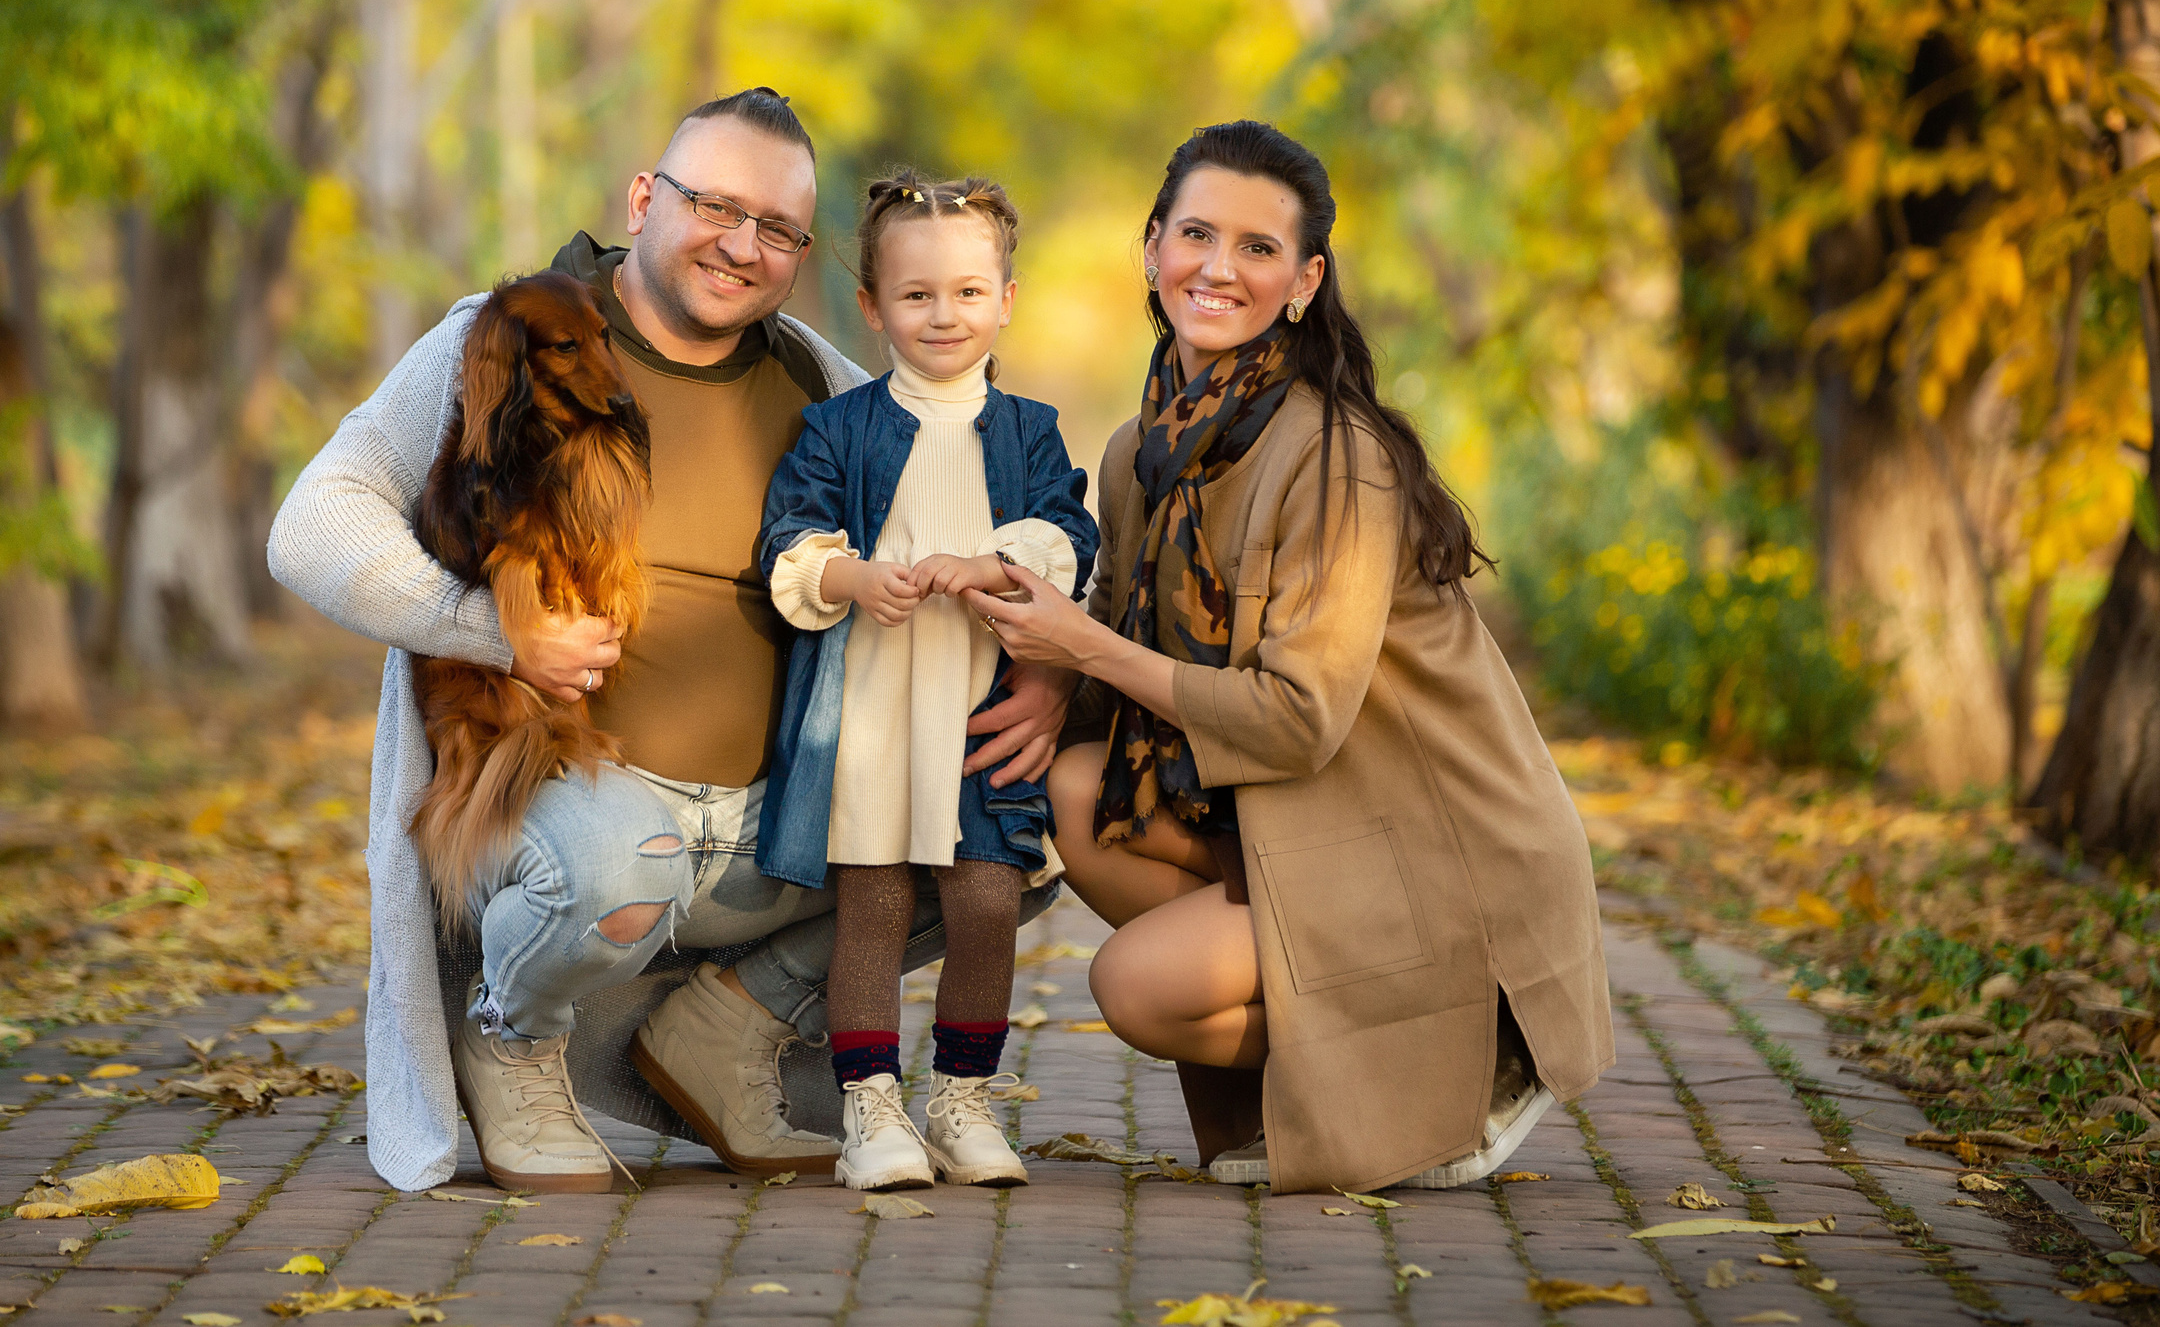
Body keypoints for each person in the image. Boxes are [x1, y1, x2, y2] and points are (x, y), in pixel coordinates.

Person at [268, 88, 1073, 1194]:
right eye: (716, 206)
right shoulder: (506, 335)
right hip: (566, 804)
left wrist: (1047, 679)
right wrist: (501, 634)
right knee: (617, 866)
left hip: (764, 827)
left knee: (1015, 831)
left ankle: (731, 1022)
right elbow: (312, 524)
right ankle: (509, 1034)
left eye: (779, 228)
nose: (743, 245)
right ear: (645, 198)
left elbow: (984, 512)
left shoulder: (815, 379)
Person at [962, 119, 1612, 1194]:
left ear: (1305, 281)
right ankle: (1353, 1072)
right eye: (1196, 235)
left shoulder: (1337, 458)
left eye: (1258, 248)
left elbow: (1298, 717)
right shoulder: (1141, 450)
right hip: (1302, 821)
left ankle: (1472, 1054)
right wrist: (1045, 673)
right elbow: (1114, 636)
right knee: (1071, 789)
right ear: (1151, 248)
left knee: (1134, 987)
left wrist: (1082, 644)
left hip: (1431, 849)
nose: (1218, 268)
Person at [754, 173, 1100, 1192]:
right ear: (872, 307)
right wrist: (852, 576)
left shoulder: (1029, 429)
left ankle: (962, 1097)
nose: (943, 315)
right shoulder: (840, 427)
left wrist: (993, 564)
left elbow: (1068, 536)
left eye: (967, 292)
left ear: (1006, 299)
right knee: (873, 909)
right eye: (915, 295)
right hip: (871, 707)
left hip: (980, 702)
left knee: (986, 899)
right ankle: (869, 1107)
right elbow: (789, 540)